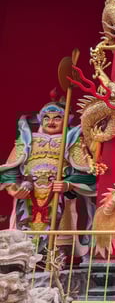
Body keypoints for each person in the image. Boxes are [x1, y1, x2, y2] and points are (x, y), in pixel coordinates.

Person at [0, 98, 96, 254]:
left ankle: (56, 267)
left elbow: (87, 174)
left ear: (67, 119)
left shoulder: (72, 141)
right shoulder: (26, 140)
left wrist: (68, 184)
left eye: (57, 118)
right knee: (22, 243)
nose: (51, 121)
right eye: (47, 117)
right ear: (40, 119)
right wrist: (13, 189)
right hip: (28, 196)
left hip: (58, 196)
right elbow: (10, 170)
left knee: (58, 244)